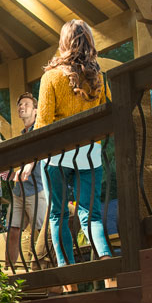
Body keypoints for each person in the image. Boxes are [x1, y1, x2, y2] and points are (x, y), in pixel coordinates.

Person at [33, 20, 113, 267]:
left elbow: (43, 121)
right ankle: (107, 264)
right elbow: (109, 110)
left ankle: (68, 276)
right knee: (92, 216)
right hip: (89, 153)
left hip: (56, 155)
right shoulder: (98, 78)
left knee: (57, 214)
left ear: (64, 43)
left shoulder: (52, 77)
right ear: (89, 42)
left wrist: (30, 158)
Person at [5, 92, 49, 271]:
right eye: (20, 105)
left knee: (42, 232)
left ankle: (44, 269)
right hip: (18, 192)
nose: (22, 107)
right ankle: (9, 270)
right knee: (13, 229)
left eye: (26, 105)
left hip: (36, 191)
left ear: (36, 111)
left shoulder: (40, 130)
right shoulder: (21, 134)